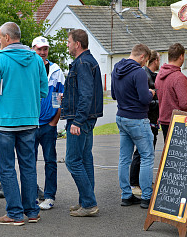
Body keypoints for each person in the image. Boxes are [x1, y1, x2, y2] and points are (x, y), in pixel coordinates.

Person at [0, 22, 48, 226]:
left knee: (7, 168)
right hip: (29, 121)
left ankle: (15, 214)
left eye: (0, 37)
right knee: (28, 166)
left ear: (7, 38)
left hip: (3, 123)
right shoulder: (36, 59)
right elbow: (44, 91)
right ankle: (32, 211)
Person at [61, 29, 103, 217]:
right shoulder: (86, 61)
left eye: (69, 42)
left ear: (77, 44)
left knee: (72, 161)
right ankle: (86, 201)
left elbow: (86, 94)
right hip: (86, 117)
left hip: (81, 119)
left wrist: (77, 120)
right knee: (85, 160)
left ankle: (88, 203)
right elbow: (83, 92)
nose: (67, 45)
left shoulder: (83, 63)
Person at [111, 44, 155, 209]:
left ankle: (126, 195)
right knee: (147, 157)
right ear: (143, 56)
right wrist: (150, 93)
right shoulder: (139, 72)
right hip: (137, 119)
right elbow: (144, 99)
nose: (145, 64)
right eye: (145, 61)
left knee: (124, 158)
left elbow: (114, 94)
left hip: (121, 116)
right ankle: (146, 196)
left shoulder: (116, 68)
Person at [32, 36, 65, 210]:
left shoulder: (56, 70)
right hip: (29, 124)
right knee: (28, 161)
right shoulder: (28, 67)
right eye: (39, 49)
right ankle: (31, 195)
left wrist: (54, 121)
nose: (43, 52)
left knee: (50, 161)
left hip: (47, 125)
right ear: (33, 50)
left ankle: (49, 195)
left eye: (45, 49)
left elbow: (58, 97)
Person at [130, 50, 160, 196]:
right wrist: (159, 102)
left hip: (152, 119)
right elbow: (144, 99)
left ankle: (144, 181)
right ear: (154, 60)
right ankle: (135, 182)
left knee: (148, 151)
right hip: (146, 119)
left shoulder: (153, 75)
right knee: (141, 153)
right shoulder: (145, 74)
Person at [155, 43, 187, 141]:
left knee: (170, 152)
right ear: (181, 56)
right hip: (179, 121)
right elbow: (184, 103)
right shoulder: (179, 77)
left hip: (164, 119)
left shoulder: (160, 75)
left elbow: (167, 94)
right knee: (181, 153)